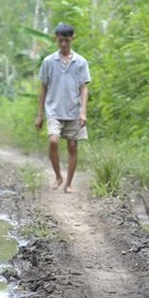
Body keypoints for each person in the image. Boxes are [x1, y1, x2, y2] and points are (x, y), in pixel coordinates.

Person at [35, 23, 91, 194]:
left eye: (67, 40)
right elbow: (43, 87)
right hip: (53, 109)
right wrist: (39, 115)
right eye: (60, 41)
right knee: (53, 141)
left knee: (73, 146)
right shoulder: (49, 61)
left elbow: (84, 87)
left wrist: (82, 111)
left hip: (73, 110)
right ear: (56, 39)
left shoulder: (80, 62)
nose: (64, 44)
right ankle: (58, 176)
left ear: (72, 39)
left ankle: (69, 183)